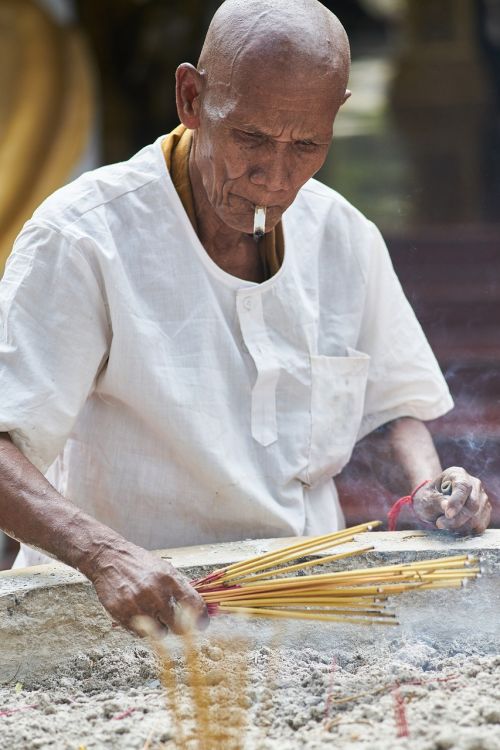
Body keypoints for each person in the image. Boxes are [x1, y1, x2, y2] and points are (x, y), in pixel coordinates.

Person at [0, 0, 491, 635]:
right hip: (117, 617)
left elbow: (387, 413)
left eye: (306, 145)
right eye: (251, 138)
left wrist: (434, 491)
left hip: (307, 614)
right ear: (191, 99)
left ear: (334, 117)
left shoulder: (344, 236)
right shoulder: (82, 237)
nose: (274, 178)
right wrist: (105, 556)